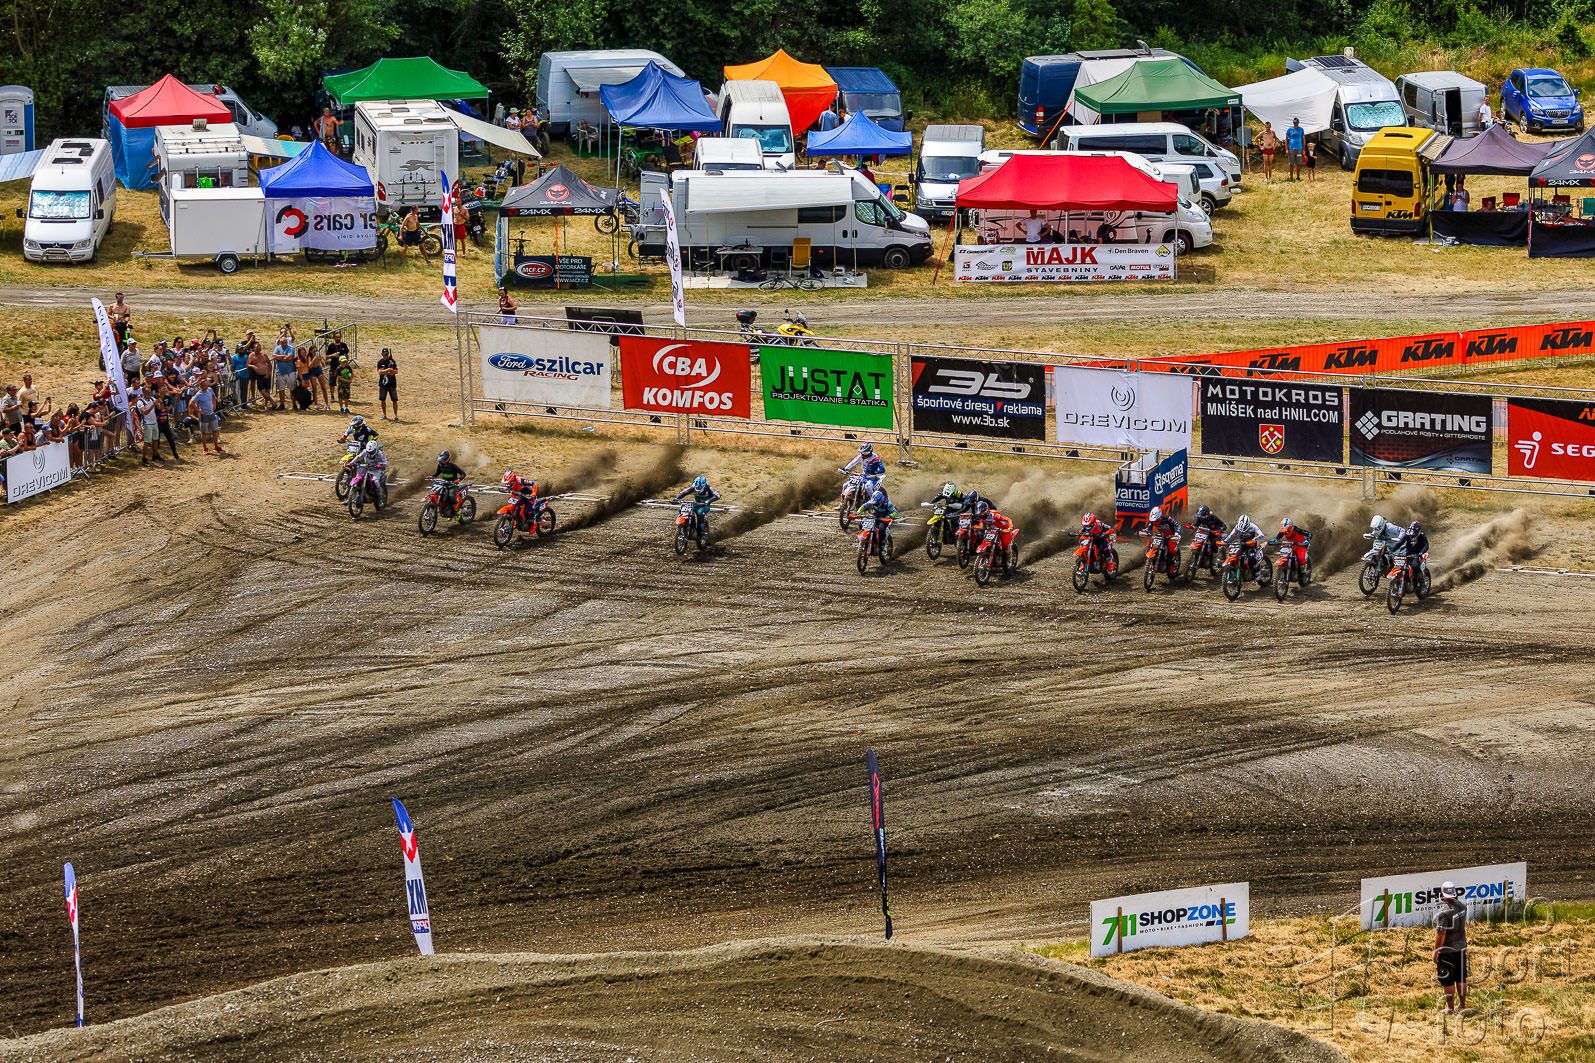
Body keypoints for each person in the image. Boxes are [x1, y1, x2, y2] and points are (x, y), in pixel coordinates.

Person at [1434, 881, 1468, 1013]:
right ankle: (1462, 1005)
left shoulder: (1443, 913)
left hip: (1447, 951)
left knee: (1448, 980)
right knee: (1461, 977)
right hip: (1461, 948)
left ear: (1442, 894)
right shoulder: (1462, 906)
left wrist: (1436, 951)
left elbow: (1441, 934)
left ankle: (1450, 1008)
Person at [1224, 512, 1268, 583]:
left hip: (1251, 545)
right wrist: (1225, 541)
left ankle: (1257, 573)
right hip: (1242, 544)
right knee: (1234, 554)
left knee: (1251, 557)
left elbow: (1262, 535)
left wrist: (1254, 539)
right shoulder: (1237, 526)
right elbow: (1231, 535)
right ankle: (1234, 570)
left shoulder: (1253, 526)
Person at [190, 375, 222, 455]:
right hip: (203, 416)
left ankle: (216, 446)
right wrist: (199, 411)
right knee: (203, 432)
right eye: (205, 385)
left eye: (207, 384)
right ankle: (205, 448)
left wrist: (214, 404)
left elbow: (213, 396)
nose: (207, 386)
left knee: (215, 430)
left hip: (211, 413)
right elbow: (191, 403)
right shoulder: (198, 394)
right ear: (201, 386)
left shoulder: (210, 389)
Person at [432, 449, 468, 517]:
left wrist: (458, 479)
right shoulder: (440, 465)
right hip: (444, 485)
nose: (442, 462)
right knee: (439, 494)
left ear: (448, 459)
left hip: (453, 485)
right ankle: (447, 509)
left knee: (451, 497)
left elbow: (463, 474)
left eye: (443, 460)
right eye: (441, 460)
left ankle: (457, 512)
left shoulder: (452, 465)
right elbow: (437, 473)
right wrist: (431, 477)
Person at [1394, 519, 1430, 583]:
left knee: (1415, 565)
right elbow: (1400, 542)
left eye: (1414, 534)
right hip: (1408, 553)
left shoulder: (1422, 535)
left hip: (1417, 554)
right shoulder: (1408, 534)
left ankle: (1422, 584)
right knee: (1399, 564)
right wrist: (1392, 550)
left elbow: (1426, 545)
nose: (1412, 537)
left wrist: (1421, 553)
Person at [271, 334, 297, 411]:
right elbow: (274, 356)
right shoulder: (277, 348)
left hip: (290, 372)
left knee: (292, 389)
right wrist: (283, 356)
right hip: (280, 372)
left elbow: (289, 358)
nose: (284, 344)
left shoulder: (290, 348)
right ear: (280, 343)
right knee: (281, 389)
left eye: (285, 343)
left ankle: (294, 404)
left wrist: (279, 357)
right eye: (282, 343)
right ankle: (282, 404)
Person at [376, 347, 398, 420]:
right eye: (385, 354)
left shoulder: (392, 361)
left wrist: (386, 371)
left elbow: (395, 371)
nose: (386, 356)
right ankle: (384, 414)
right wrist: (388, 370)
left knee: (394, 400)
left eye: (387, 354)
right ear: (382, 354)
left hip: (392, 384)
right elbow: (380, 372)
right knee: (383, 400)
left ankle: (395, 416)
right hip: (383, 384)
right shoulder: (380, 362)